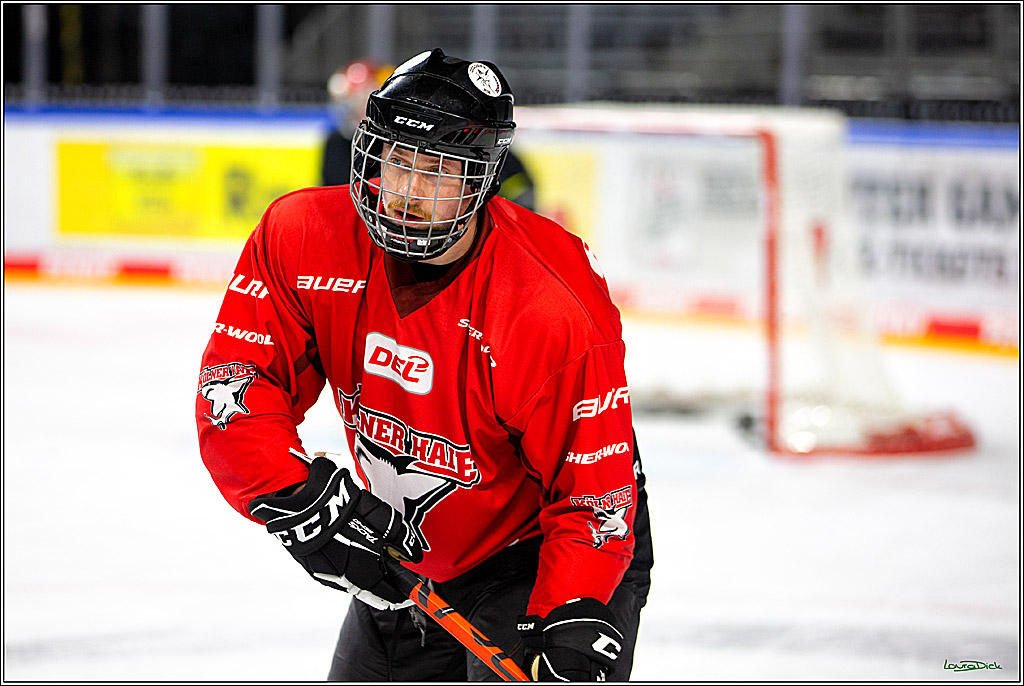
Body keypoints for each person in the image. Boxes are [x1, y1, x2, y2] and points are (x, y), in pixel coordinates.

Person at [196, 47, 653, 682]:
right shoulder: (301, 237)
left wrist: (571, 611)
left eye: (437, 171)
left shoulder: (549, 305)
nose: (407, 191)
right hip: (405, 538)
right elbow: (235, 396)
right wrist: (297, 499)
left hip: (545, 544)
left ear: (482, 179)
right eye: (396, 160)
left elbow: (593, 498)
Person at [321, 57, 537, 212]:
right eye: (397, 161)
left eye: (360, 102)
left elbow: (521, 192)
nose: (410, 190)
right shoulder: (336, 144)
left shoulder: (474, 144)